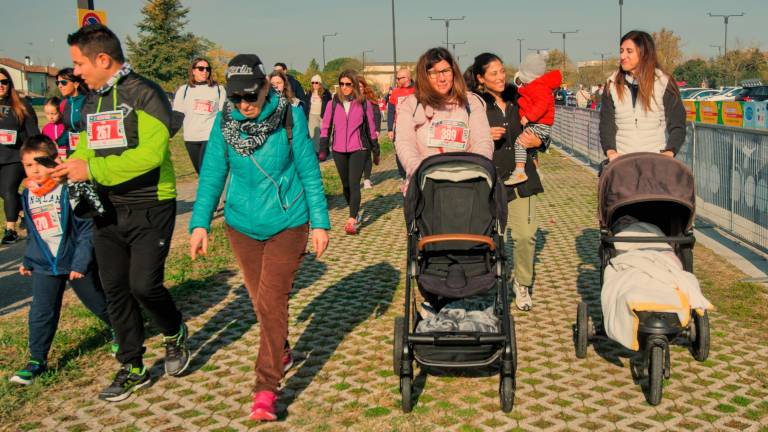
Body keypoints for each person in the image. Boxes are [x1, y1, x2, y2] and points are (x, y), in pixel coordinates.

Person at [188, 54, 330, 422]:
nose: (244, 104)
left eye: (251, 95)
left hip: (288, 221)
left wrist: (320, 222)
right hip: (241, 225)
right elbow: (212, 175)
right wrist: (200, 223)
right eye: (236, 97)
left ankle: (266, 387)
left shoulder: (289, 116)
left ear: (266, 86)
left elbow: (309, 173)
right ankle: (280, 349)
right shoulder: (224, 123)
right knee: (260, 302)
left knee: (271, 299)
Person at [52, 24, 188, 402]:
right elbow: (86, 148)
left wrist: (92, 169)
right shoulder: (92, 100)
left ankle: (174, 330)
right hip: (105, 209)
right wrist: (67, 167)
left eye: (79, 64)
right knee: (115, 289)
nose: (75, 72)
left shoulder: (145, 93)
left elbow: (151, 155)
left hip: (150, 204)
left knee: (143, 286)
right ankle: (132, 366)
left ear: (102, 59)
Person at [10, 135, 113, 386]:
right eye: (28, 165)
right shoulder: (28, 194)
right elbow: (33, 231)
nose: (34, 170)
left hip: (75, 261)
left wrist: (80, 263)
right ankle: (37, 360)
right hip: (45, 264)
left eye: (39, 163)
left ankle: (122, 330)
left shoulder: (69, 189)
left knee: (98, 302)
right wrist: (29, 260)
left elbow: (86, 229)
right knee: (41, 311)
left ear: (53, 161)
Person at [469, 52, 546, 311]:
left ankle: (522, 284)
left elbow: (543, 126)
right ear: (480, 78)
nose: (501, 77)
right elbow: (463, 138)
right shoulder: (474, 104)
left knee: (526, 236)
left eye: (502, 71)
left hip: (523, 177)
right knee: (494, 238)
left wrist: (540, 142)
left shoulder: (519, 97)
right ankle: (497, 286)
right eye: (494, 73)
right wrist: (483, 135)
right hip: (491, 180)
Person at [395, 47, 493, 191]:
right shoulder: (411, 105)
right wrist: (420, 171)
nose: (441, 78)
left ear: (454, 71)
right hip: (426, 186)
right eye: (433, 73)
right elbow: (405, 143)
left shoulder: (471, 103)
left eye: (446, 71)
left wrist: (476, 170)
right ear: (424, 75)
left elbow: (483, 140)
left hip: (468, 186)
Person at [599, 30, 686, 162]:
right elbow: (606, 125)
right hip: (622, 162)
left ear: (644, 53)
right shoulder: (612, 84)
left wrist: (670, 152)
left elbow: (678, 124)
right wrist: (611, 152)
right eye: (621, 51)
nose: (623, 56)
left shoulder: (663, 83)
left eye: (629, 51)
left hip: (655, 162)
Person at [319, 70, 378, 235]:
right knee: (345, 185)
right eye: (342, 84)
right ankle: (355, 211)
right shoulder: (333, 103)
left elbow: (371, 127)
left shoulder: (363, 103)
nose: (344, 87)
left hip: (358, 148)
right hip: (338, 149)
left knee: (354, 183)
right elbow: (326, 126)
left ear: (354, 85)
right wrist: (323, 148)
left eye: (348, 84)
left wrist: (376, 149)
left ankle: (352, 219)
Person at [506, 53, 561, 185]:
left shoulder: (538, 87)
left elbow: (541, 105)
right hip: (538, 124)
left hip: (539, 124)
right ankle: (536, 171)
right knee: (530, 149)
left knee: (520, 143)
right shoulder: (538, 86)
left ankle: (519, 172)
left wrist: (528, 117)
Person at [0, 68, 39, 244]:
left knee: (8, 190)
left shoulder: (21, 105)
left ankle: (10, 230)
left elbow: (33, 133)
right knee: (4, 192)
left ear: (10, 84)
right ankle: (26, 210)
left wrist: (34, 155)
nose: (1, 86)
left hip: (15, 157)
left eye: (4, 82)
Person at [172, 57, 227, 174]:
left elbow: (223, 114)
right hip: (191, 137)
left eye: (207, 69)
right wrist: (169, 134)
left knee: (205, 170)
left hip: (210, 136)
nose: (205, 71)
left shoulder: (218, 89)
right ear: (193, 71)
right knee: (200, 172)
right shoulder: (184, 90)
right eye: (201, 68)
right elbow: (178, 114)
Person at [387, 67, 415, 179]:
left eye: (400, 78)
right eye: (397, 78)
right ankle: (404, 176)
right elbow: (390, 111)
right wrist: (390, 129)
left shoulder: (418, 90)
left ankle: (414, 173)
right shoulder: (395, 92)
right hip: (399, 128)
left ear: (408, 77)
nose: (397, 81)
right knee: (399, 151)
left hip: (415, 127)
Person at [56, 68, 88, 157]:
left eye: (63, 82)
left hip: (87, 151)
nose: (60, 86)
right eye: (57, 83)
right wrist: (55, 143)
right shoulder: (64, 104)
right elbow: (68, 131)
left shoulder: (88, 101)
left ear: (76, 84)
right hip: (71, 151)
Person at [358, 76, 381, 189]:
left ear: (364, 87)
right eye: (356, 86)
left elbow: (377, 114)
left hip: (368, 132)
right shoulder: (349, 101)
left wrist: (377, 130)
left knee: (367, 155)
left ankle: (367, 179)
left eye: (360, 86)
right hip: (356, 133)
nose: (358, 89)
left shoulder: (370, 101)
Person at [303, 74, 331, 154]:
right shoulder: (309, 92)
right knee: (314, 134)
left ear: (320, 83)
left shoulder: (326, 93)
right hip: (312, 115)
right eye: (313, 83)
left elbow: (329, 103)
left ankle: (325, 150)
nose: (314, 84)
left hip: (323, 115)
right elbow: (306, 103)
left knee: (323, 134)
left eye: (316, 83)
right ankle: (316, 151)